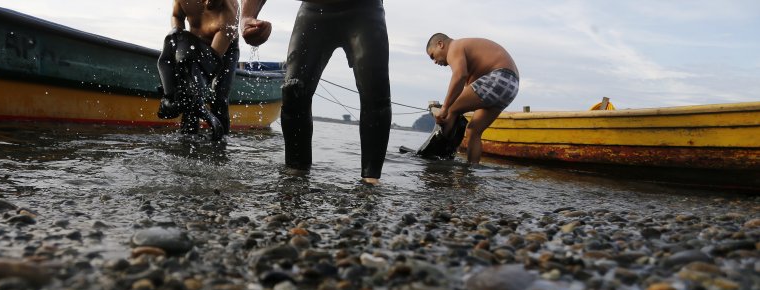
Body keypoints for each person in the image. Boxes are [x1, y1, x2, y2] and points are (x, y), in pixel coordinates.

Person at [240, 0, 392, 184]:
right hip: (314, 10)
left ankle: (371, 181)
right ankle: (296, 173)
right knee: (293, 89)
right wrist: (247, 17)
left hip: (365, 11)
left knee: (375, 91)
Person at [426, 34, 519, 166]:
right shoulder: (469, 54)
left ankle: (439, 155)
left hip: (499, 76)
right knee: (473, 130)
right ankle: (472, 170)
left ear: (440, 44)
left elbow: (460, 75)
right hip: (511, 86)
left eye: (432, 56)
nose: (434, 61)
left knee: (452, 109)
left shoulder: (454, 47)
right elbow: (467, 88)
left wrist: (445, 108)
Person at [157, 0, 239, 140]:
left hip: (225, 49)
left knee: (218, 98)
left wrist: (195, 90)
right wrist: (179, 36)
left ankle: (221, 143)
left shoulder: (228, 13)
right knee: (189, 93)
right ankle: (187, 139)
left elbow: (210, 65)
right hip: (194, 44)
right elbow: (177, 16)